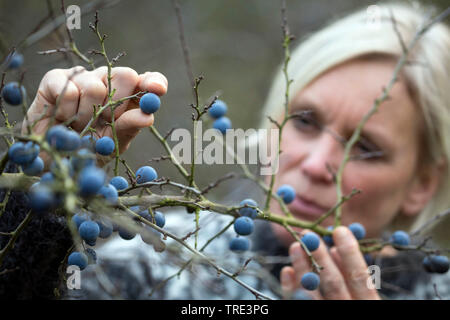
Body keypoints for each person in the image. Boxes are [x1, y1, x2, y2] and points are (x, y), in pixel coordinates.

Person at [1, 1, 450, 300]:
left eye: (366, 147)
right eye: (305, 121)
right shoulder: (159, 261)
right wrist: (34, 215)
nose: (314, 165)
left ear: (422, 183)